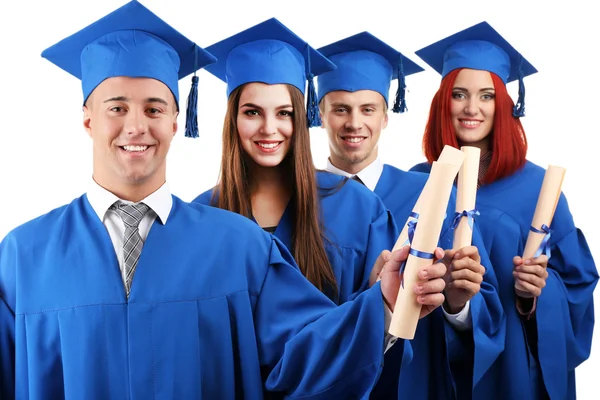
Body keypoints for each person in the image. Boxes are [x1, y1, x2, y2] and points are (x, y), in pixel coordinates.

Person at [0, 2, 450, 399]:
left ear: (177, 119)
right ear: (87, 118)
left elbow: (303, 354)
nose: (136, 126)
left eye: (154, 108)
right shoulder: (22, 257)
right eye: (117, 107)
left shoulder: (240, 244)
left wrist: (384, 304)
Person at [411, 21, 599, 400]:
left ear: (505, 105)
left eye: (486, 96)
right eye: (459, 94)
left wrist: (534, 298)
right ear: (442, 103)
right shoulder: (418, 185)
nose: (471, 108)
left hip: (514, 380)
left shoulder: (538, 189)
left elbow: (576, 290)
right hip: (436, 375)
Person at [316, 31, 505, 399]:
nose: (355, 123)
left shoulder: (433, 193)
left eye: (368, 109)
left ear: (386, 117)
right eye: (340, 109)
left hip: (417, 385)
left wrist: (457, 303)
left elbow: (485, 308)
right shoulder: (301, 201)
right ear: (319, 114)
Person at [192, 18, 411, 315]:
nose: (269, 128)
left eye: (284, 113)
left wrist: (378, 301)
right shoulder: (203, 216)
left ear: (303, 118)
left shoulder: (359, 209)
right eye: (252, 112)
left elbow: (384, 332)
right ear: (233, 119)